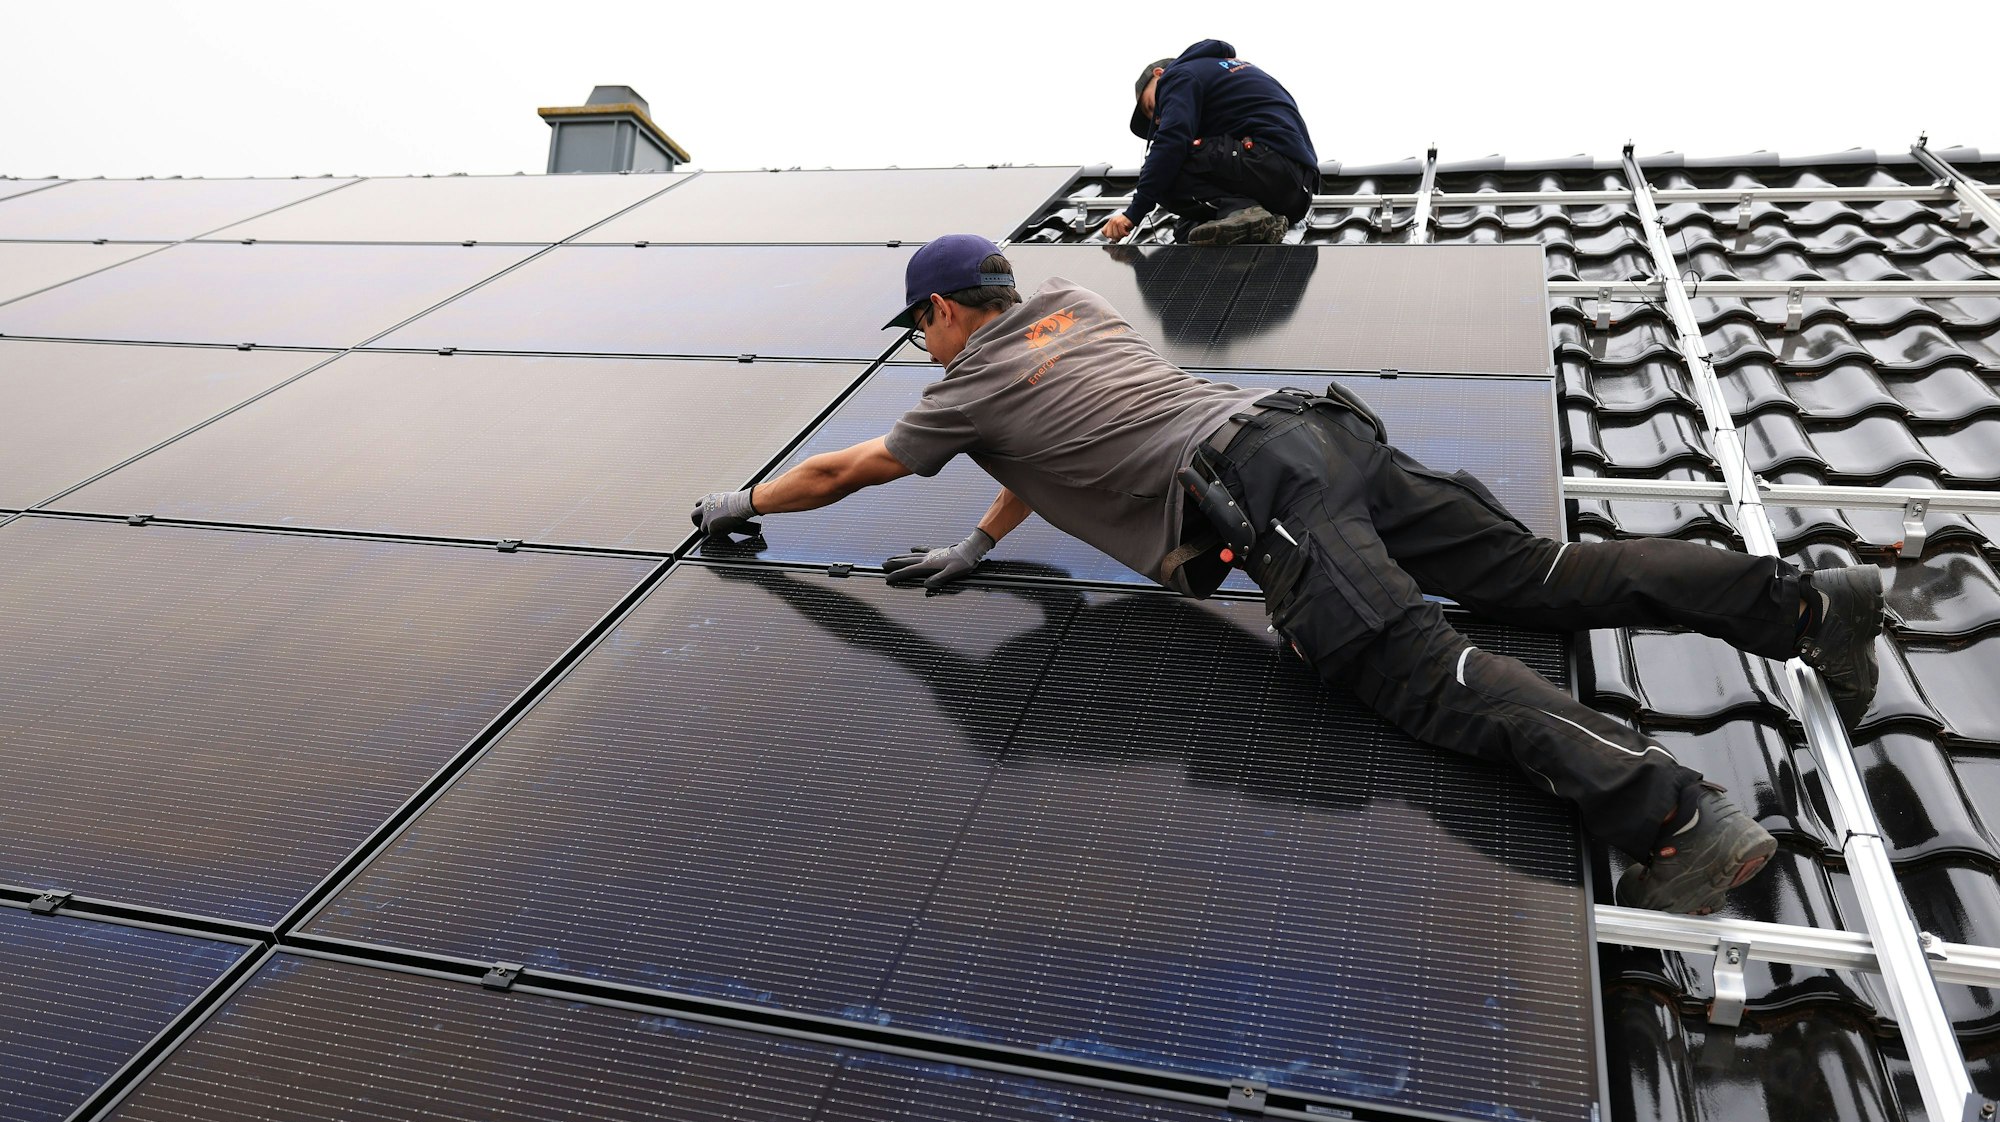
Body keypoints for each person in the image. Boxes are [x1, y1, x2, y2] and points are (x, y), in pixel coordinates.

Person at [692, 234, 1888, 917]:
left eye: (919, 331)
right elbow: (1049, 441)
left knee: (1406, 664)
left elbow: (843, 473)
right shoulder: (1071, 307)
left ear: (946, 311)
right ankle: (1807, 604)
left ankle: (1677, 816)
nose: (923, 352)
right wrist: (987, 540)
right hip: (1313, 431)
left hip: (1256, 494)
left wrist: (735, 503)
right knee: (1542, 570)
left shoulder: (964, 387)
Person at [1099, 40, 1321, 247]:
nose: (1158, 119)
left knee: (1167, 167)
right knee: (1188, 230)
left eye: (1151, 106)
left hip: (1271, 163)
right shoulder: (1223, 74)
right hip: (1297, 193)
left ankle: (1244, 211)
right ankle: (1248, 219)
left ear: (1159, 74)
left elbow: (1172, 142)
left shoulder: (1179, 75)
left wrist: (1133, 213)